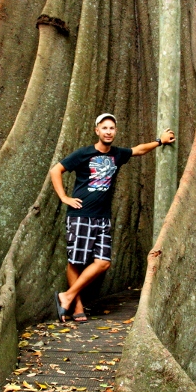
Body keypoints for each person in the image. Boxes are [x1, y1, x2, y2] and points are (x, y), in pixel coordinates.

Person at [49, 113, 176, 322]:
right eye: (104, 128)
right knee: (76, 261)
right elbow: (56, 170)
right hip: (81, 214)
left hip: (103, 218)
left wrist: (159, 141)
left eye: (111, 128)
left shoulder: (117, 154)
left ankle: (67, 295)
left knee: (103, 262)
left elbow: (138, 150)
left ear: (115, 131)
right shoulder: (84, 153)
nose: (108, 132)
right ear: (97, 130)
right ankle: (76, 305)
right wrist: (64, 197)